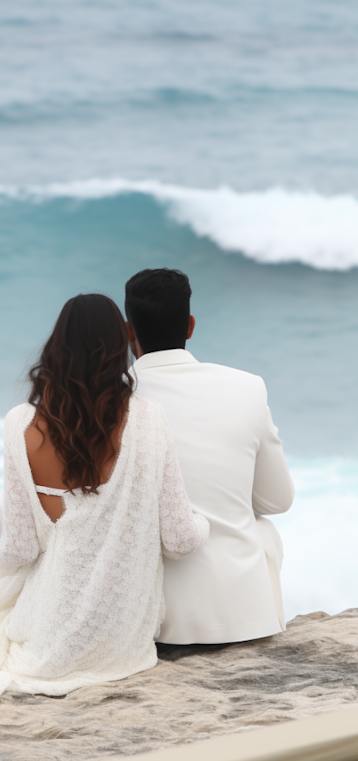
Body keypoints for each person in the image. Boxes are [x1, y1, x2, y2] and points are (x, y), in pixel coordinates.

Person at [0, 294, 209, 715]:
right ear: (122, 345)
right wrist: (207, 522)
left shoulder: (21, 425)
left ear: (56, 346)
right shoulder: (150, 419)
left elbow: (19, 549)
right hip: (124, 649)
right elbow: (181, 540)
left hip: (50, 647)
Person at [125, 268, 294, 646]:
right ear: (190, 325)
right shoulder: (247, 387)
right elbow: (277, 501)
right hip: (247, 618)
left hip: (152, 621)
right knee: (263, 526)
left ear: (128, 331)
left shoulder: (111, 400)